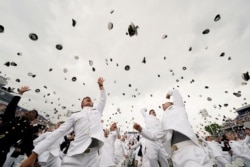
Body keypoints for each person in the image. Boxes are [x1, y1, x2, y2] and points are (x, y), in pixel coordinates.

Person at [20, 77, 106, 167]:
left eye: (90, 99)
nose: (88, 98)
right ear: (82, 104)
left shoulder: (97, 111)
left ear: (92, 103)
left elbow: (102, 99)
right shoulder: (75, 116)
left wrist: (101, 86)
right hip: (75, 156)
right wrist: (33, 155)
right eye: (85, 98)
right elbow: (58, 133)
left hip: (93, 157)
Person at [133, 88, 212, 167]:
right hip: (176, 155)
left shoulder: (179, 107)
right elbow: (154, 136)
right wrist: (141, 129)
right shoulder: (163, 122)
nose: (162, 104)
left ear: (172, 104)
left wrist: (169, 93)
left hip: (189, 149)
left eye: (165, 103)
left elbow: (176, 92)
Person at [0, 86, 38, 166]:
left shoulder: (28, 128)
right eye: (30, 111)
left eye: (33, 113)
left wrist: (35, 161)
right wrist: (19, 94)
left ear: (33, 119)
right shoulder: (12, 118)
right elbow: (11, 107)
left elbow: (29, 145)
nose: (30, 112)